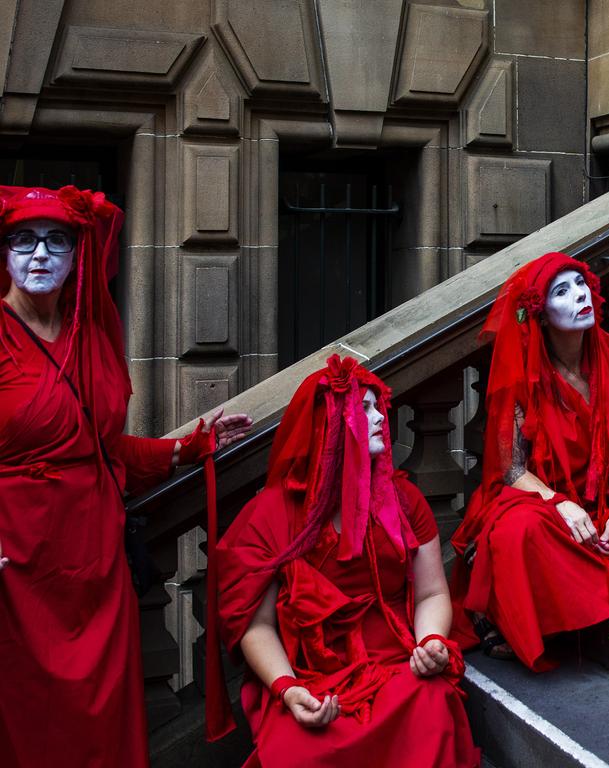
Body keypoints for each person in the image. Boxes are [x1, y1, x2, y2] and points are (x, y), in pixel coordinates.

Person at [0, 185, 251, 767]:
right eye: (23, 240)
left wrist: (187, 450)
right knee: (26, 721)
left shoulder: (89, 336)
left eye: (56, 241)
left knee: (102, 717)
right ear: (4, 253)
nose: (40, 255)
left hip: (93, 561)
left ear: (77, 256)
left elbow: (99, 446)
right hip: (18, 567)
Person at [214, 354, 479, 768]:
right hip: (310, 672)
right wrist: (287, 688)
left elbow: (431, 592)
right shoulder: (269, 516)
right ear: (328, 425)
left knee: (432, 707)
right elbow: (258, 626)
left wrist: (430, 643)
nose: (380, 419)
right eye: (365, 408)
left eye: (378, 406)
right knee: (298, 748)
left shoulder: (406, 501)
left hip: (395, 661)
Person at [449, 252, 609, 671]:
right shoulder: (523, 379)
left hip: (598, 511)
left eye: (582, 285)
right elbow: (511, 471)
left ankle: (561, 604)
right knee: (520, 531)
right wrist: (557, 503)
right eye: (562, 291)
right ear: (541, 315)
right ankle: (533, 606)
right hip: (540, 507)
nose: (579, 295)